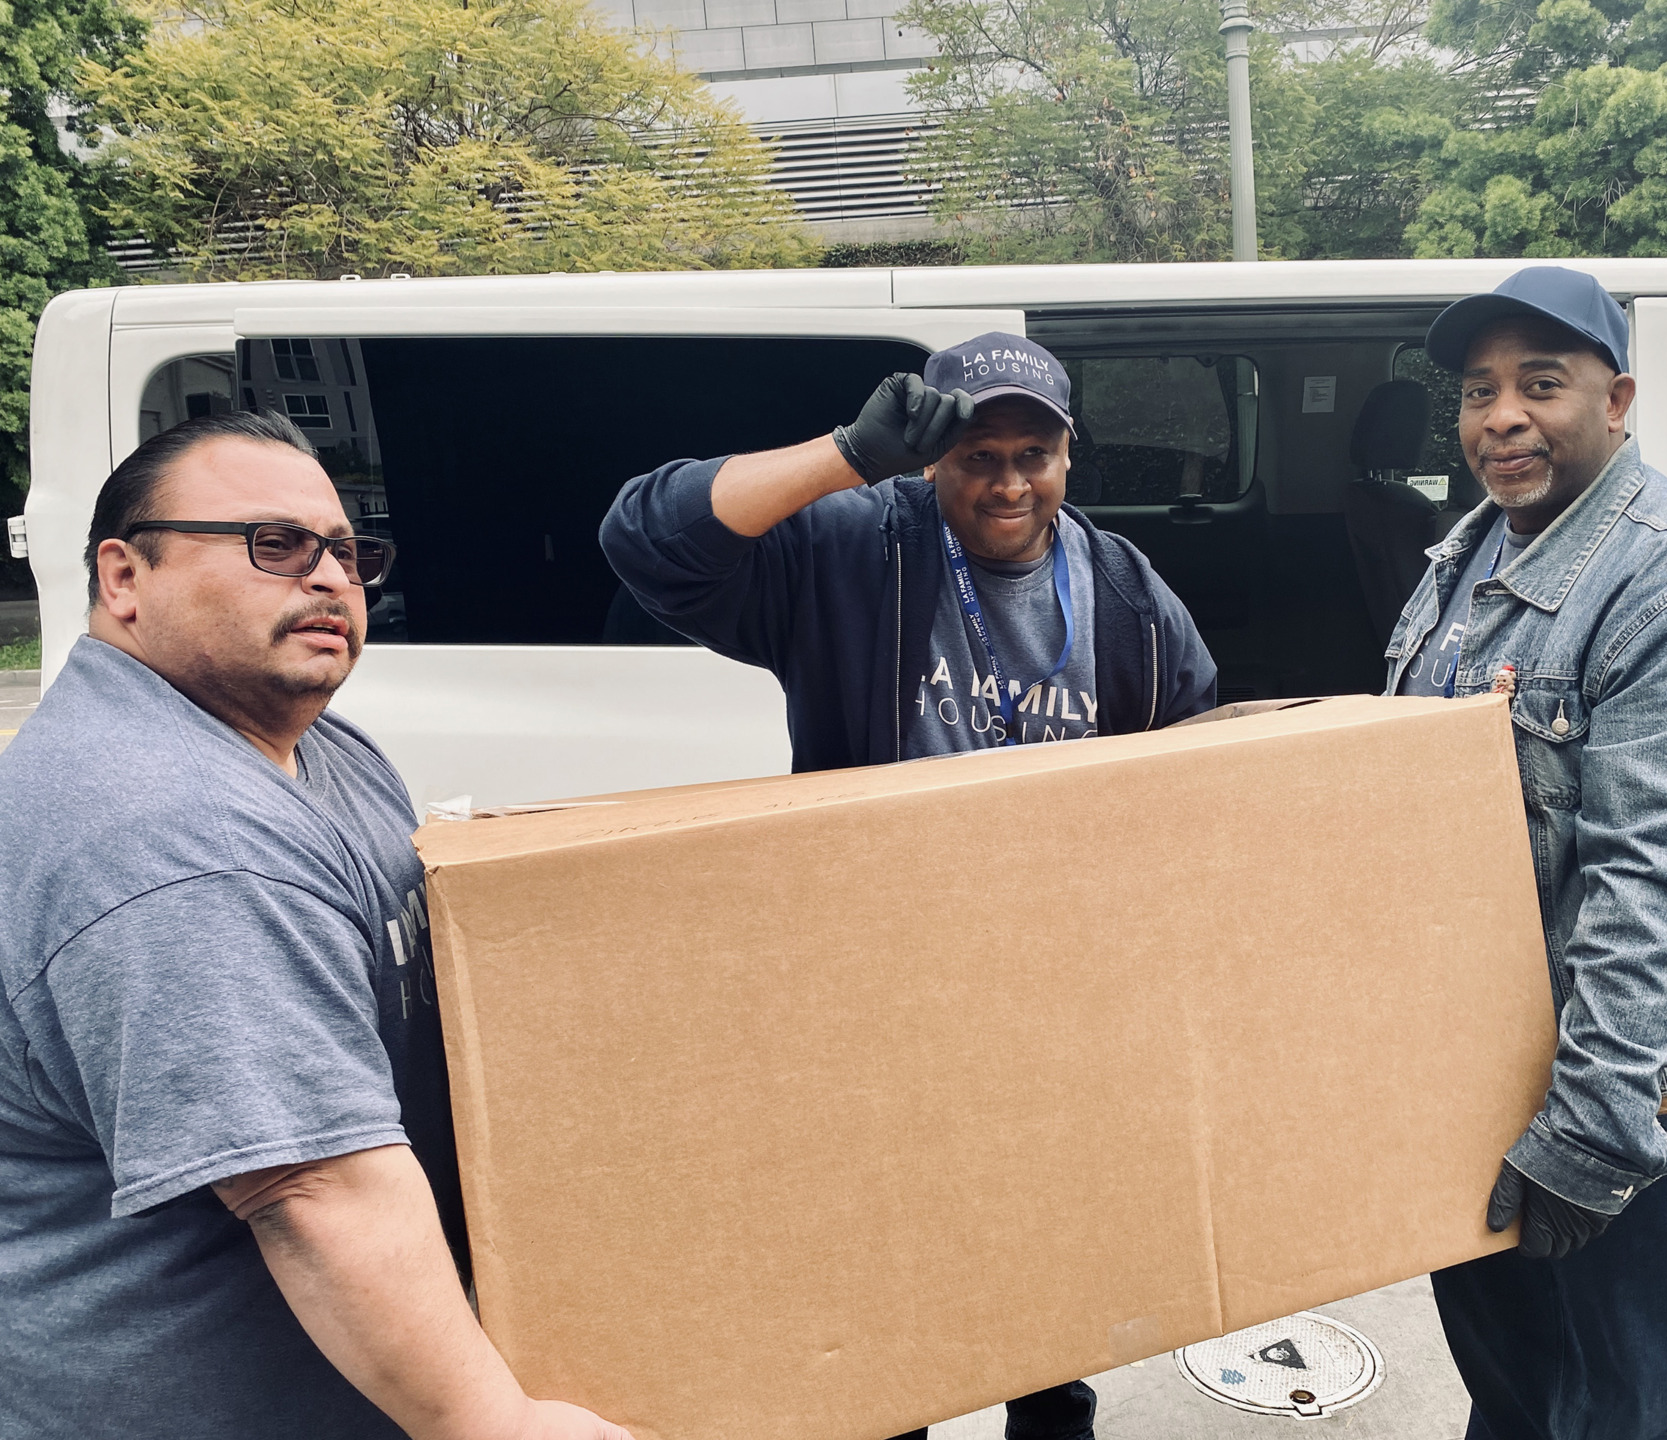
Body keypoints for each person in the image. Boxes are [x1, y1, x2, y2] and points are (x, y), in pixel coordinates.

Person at [600, 333, 1217, 1440]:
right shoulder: (853, 548)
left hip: (1052, 999)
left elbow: (1189, 763)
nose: (1010, 482)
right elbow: (646, 538)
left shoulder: (1124, 589)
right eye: (980, 454)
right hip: (874, 991)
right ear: (932, 459)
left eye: (1035, 452)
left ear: (1071, 454)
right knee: (883, 1268)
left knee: (1049, 1272)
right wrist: (844, 455)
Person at [0, 411, 630, 1440]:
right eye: (274, 544)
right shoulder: (170, 834)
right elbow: (311, 1186)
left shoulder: (321, 749)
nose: (331, 577)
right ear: (124, 578)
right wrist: (493, 1422)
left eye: (349, 551)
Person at [1389, 267, 1667, 1438]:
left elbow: (1656, 896)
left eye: (1542, 383)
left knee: (1642, 1416)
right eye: (1480, 390)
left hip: (1655, 1099)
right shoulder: (1466, 565)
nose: (1503, 417)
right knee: (1523, 1401)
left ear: (1619, 396)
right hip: (1501, 1073)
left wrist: (1592, 1132)